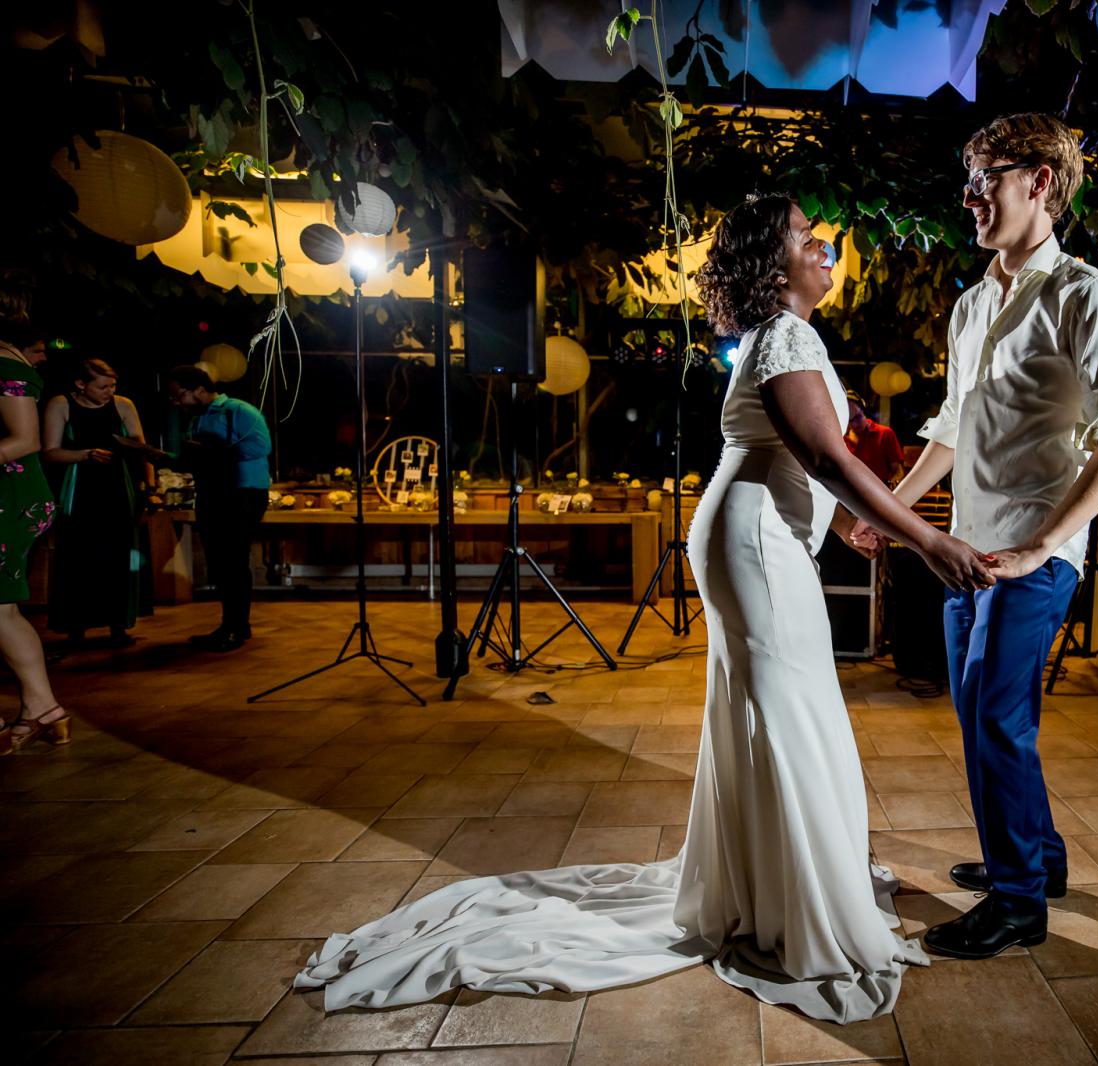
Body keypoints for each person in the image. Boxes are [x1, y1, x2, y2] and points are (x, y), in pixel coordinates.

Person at [295, 195, 996, 1023]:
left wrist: (847, 521)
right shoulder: (786, 335)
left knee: (774, 715)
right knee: (790, 716)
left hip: (761, 537)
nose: (828, 250)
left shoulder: (784, 337)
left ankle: (772, 887)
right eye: (811, 240)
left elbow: (809, 462)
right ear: (775, 266)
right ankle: (793, 906)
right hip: (757, 549)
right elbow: (823, 455)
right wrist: (928, 541)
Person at [855, 113, 1098, 959]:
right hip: (969, 554)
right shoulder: (968, 306)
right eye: (969, 176)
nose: (970, 195)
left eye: (986, 176)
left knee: (996, 719)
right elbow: (953, 427)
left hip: (1036, 557)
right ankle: (1043, 859)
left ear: (1039, 181)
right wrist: (891, 509)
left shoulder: (1086, 295)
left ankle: (1020, 903)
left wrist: (1042, 546)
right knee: (982, 716)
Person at [42, 358, 159, 646]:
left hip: (119, 485)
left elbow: (141, 447)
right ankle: (76, 627)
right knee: (77, 555)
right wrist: (85, 454)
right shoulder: (61, 404)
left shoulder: (123, 405)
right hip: (81, 485)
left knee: (119, 554)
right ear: (81, 385)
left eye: (113, 385)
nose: (109, 391)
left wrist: (151, 485)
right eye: (103, 386)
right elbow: (50, 451)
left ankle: (118, 626)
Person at [166, 365, 271, 652]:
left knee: (234, 559)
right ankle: (231, 624)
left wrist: (212, 450)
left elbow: (261, 447)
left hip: (243, 491)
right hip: (213, 493)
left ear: (199, 389)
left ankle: (237, 628)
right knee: (221, 560)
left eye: (179, 396)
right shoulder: (198, 418)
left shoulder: (238, 410)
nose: (177, 402)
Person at [0, 320, 67, 754]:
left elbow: (26, 440)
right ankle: (43, 708)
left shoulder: (6, 365)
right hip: (11, 495)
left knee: (1, 612)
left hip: (10, 497)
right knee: (3, 612)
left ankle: (42, 707)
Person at [844, 389, 905, 483]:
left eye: (858, 417)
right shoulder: (841, 438)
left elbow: (898, 472)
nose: (855, 424)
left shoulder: (885, 433)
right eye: (850, 421)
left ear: (864, 410)